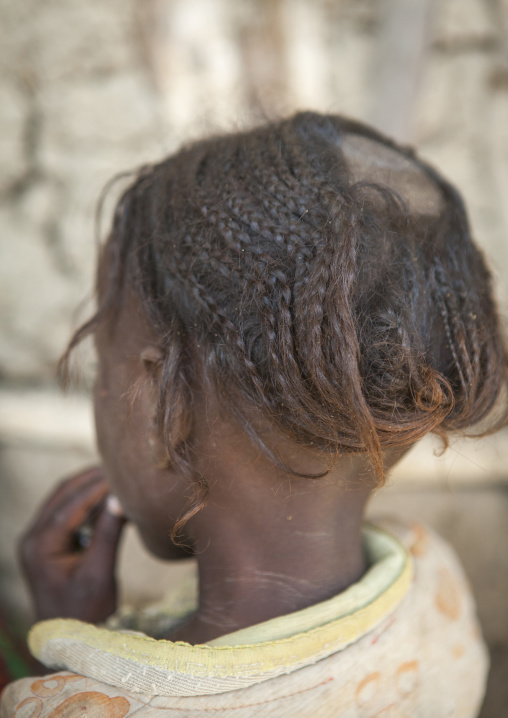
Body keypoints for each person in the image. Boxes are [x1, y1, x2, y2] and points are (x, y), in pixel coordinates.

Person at [2, 112, 507, 717]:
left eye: (100, 360)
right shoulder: (432, 577)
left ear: (166, 399)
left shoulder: (71, 707)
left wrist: (60, 652)